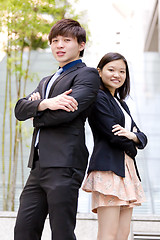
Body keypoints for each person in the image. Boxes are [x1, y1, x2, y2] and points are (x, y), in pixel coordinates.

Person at [14, 18, 100, 240]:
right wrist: (45, 103)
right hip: (38, 166)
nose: (59, 45)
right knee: (23, 230)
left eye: (66, 40)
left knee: (61, 232)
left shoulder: (87, 75)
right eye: (54, 41)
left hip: (65, 164)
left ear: (81, 44)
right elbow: (19, 110)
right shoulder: (46, 81)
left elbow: (66, 112)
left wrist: (37, 111)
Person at [82, 52, 147, 240]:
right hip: (108, 169)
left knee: (122, 234)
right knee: (108, 233)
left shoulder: (122, 104)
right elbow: (113, 135)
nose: (117, 75)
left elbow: (142, 136)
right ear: (99, 71)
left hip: (127, 169)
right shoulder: (98, 98)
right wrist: (133, 143)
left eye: (122, 71)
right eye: (111, 70)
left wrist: (133, 136)